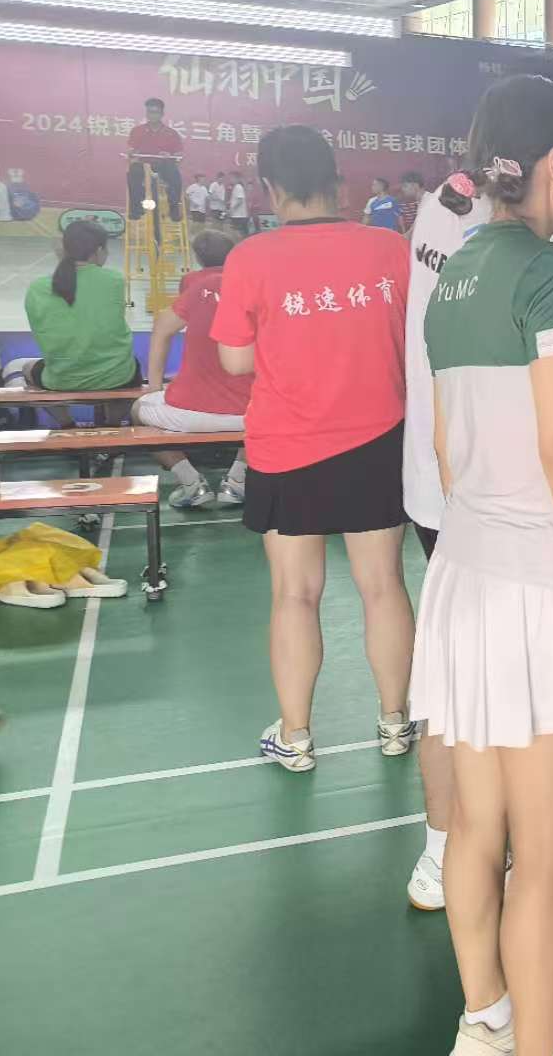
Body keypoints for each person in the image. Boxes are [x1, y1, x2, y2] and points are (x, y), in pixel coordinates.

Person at [412, 74, 553, 1056]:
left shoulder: (453, 271)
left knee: (476, 824)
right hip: (538, 587)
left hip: (462, 573)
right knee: (548, 851)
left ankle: (490, 1017)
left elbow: (448, 448)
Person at [210, 125, 416, 776]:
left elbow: (234, 359)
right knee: (383, 585)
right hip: (379, 439)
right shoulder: (390, 249)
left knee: (295, 594)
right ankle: (395, 722)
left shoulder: (251, 257)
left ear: (270, 188)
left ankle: (295, 736)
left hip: (287, 446)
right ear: (337, 180)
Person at [401, 139, 496, 918]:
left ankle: (446, 846)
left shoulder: (442, 203)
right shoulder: (502, 239)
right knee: (482, 683)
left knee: (455, 676)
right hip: (486, 496)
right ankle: (463, 846)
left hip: (443, 491)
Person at [134, 227, 252, 508]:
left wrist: (154, 386)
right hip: (248, 413)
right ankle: (238, 480)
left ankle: (190, 483)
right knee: (276, 412)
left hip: (190, 409)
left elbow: (162, 329)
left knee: (138, 412)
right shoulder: (258, 287)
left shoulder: (197, 284)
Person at [20, 220, 139, 396]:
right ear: (99, 250)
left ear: (64, 249)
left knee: (25, 367)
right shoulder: (115, 280)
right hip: (117, 377)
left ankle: (63, 414)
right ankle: (114, 414)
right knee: (131, 365)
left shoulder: (37, 288)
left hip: (62, 380)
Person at [126, 97, 185, 222]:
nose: (152, 115)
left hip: (163, 164)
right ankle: (136, 209)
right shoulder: (137, 131)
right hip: (143, 164)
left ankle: (174, 208)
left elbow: (179, 153)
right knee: (133, 171)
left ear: (162, 114)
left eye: (155, 112)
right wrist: (132, 152)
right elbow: (131, 149)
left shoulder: (171, 133)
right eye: (149, 112)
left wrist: (169, 154)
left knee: (175, 174)